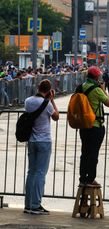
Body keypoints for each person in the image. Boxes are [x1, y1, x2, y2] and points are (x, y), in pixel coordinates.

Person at [24, 79, 59, 215]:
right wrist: (52, 100)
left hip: (31, 140)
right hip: (44, 141)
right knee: (40, 173)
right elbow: (56, 116)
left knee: (31, 172)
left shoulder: (28, 101)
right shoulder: (47, 104)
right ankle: (35, 204)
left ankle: (28, 204)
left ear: (38, 87)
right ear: (49, 90)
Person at [79, 66, 109, 187]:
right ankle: (90, 178)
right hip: (95, 125)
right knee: (93, 153)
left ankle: (82, 178)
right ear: (96, 77)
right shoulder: (96, 89)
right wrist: (103, 89)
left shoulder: (81, 87)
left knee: (84, 152)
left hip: (83, 125)